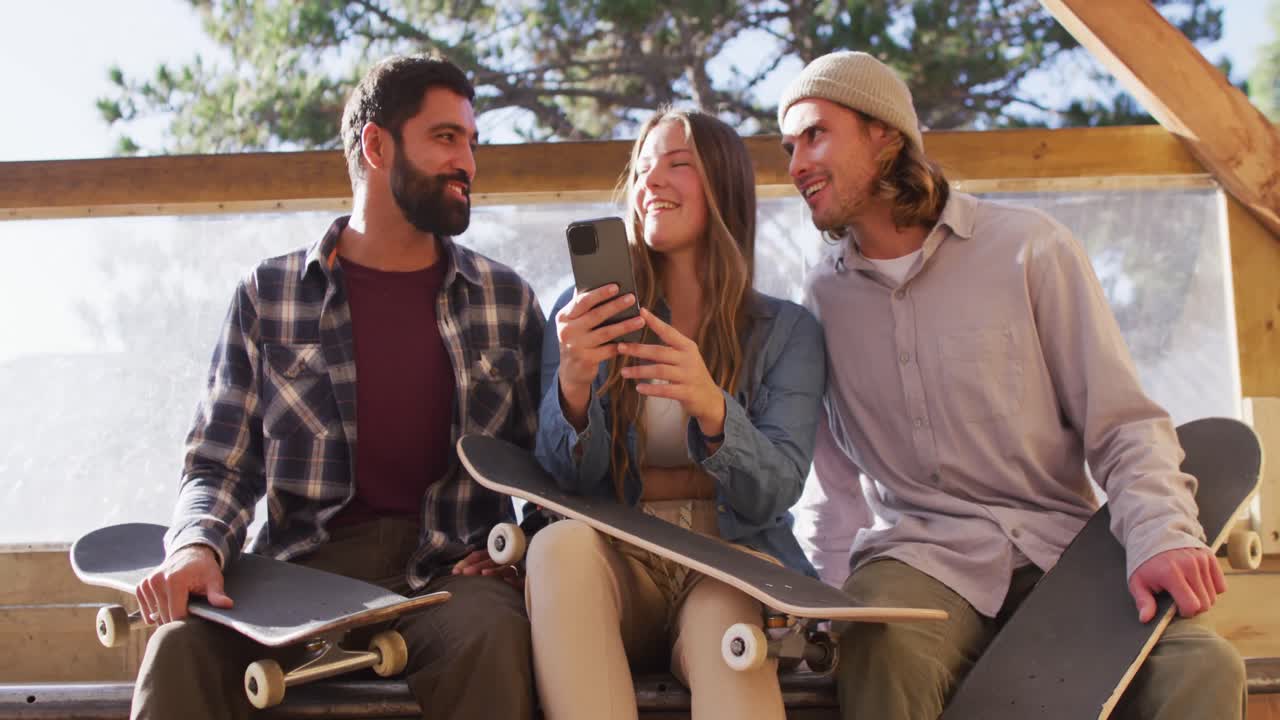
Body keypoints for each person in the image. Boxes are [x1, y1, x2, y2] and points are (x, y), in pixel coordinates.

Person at [778, 50, 1246, 719]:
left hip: (1063, 554)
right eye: (788, 146)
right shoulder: (821, 298)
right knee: (879, 645)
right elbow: (834, 487)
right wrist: (823, 607)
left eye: (815, 135)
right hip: (920, 561)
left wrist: (1161, 534)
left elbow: (1121, 425)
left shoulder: (1029, 249)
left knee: (1202, 667)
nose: (795, 165)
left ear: (885, 134)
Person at [128, 54, 544, 720]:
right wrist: (197, 546)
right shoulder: (269, 296)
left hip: (448, 577)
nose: (468, 161)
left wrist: (523, 555)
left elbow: (547, 470)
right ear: (376, 146)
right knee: (180, 647)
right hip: (295, 574)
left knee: (495, 636)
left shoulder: (506, 302)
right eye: (445, 138)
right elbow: (218, 465)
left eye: (472, 142)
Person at [526, 108, 826, 720]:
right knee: (557, 547)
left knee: (730, 636)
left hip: (726, 561)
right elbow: (564, 484)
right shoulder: (580, 310)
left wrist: (713, 407)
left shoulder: (787, 332)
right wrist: (575, 385)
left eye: (677, 164)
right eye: (640, 169)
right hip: (619, 559)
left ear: (726, 184)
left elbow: (772, 491)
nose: (650, 181)